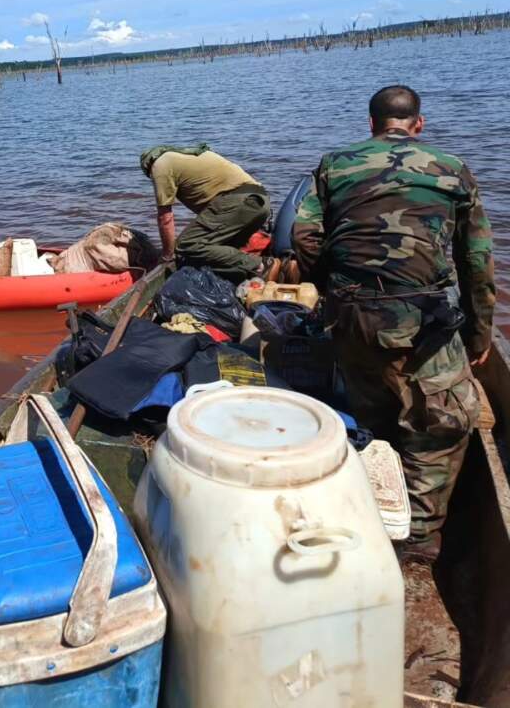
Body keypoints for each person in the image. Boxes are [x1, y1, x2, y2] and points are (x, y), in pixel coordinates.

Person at [293, 85, 495, 561]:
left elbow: (304, 235)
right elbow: (478, 262)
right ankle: (419, 538)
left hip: (351, 316)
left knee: (373, 410)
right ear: (417, 125)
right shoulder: (453, 168)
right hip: (419, 319)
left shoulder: (334, 163)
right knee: (443, 423)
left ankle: (376, 496)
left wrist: (336, 289)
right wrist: (479, 334)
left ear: (372, 124)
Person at [140, 144, 270, 283]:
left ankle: (261, 265)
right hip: (260, 203)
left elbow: (165, 218)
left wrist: (166, 255)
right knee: (214, 251)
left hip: (239, 202)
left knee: (187, 245)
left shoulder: (159, 166)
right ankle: (246, 277)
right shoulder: (188, 155)